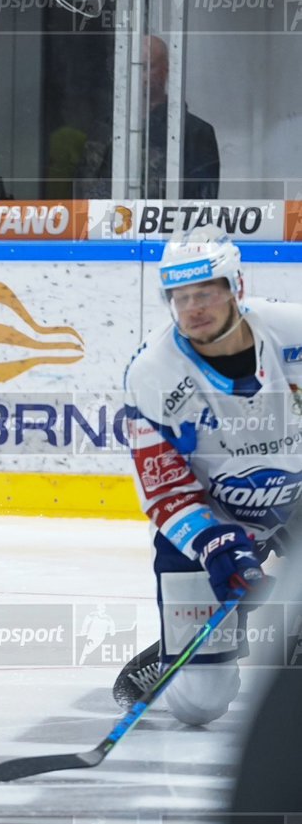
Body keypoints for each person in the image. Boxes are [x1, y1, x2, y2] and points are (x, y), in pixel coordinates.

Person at [112, 224, 291, 724]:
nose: (194, 306)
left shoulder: (294, 335)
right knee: (198, 705)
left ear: (236, 285)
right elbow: (166, 490)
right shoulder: (153, 373)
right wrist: (214, 544)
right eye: (181, 295)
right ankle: (203, 633)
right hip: (215, 514)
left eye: (206, 291)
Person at [78, 34, 220, 199]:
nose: (137, 75)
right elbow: (84, 194)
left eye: (145, 67)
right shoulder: (104, 128)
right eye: (130, 67)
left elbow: (201, 206)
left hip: (166, 223)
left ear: (166, 70)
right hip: (111, 222)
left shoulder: (195, 132)